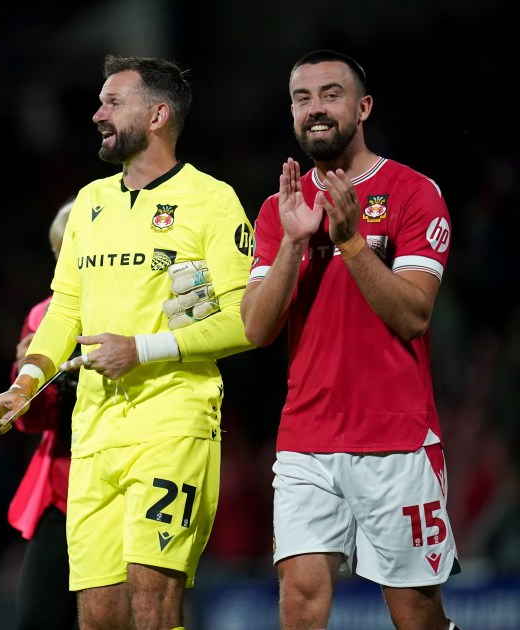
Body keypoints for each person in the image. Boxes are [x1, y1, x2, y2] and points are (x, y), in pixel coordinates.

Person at [0, 54, 255, 630]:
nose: (96, 114)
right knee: (99, 616)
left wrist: (140, 349)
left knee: (152, 605)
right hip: (94, 434)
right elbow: (65, 310)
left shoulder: (212, 201)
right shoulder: (90, 202)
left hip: (172, 422)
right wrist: (25, 384)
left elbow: (242, 320)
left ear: (157, 115)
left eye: (113, 102)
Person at [240, 49, 461, 630]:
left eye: (330, 94)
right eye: (301, 97)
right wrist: (293, 242)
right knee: (300, 598)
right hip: (306, 440)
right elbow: (256, 329)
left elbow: (414, 316)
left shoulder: (414, 192)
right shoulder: (276, 210)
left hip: (396, 438)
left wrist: (352, 244)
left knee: (415, 613)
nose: (315, 109)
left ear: (362, 107)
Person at [8, 198, 80, 630]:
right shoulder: (41, 316)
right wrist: (24, 379)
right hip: (60, 487)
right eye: (60, 253)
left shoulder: (132, 309)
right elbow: (27, 422)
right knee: (37, 619)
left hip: (121, 478)